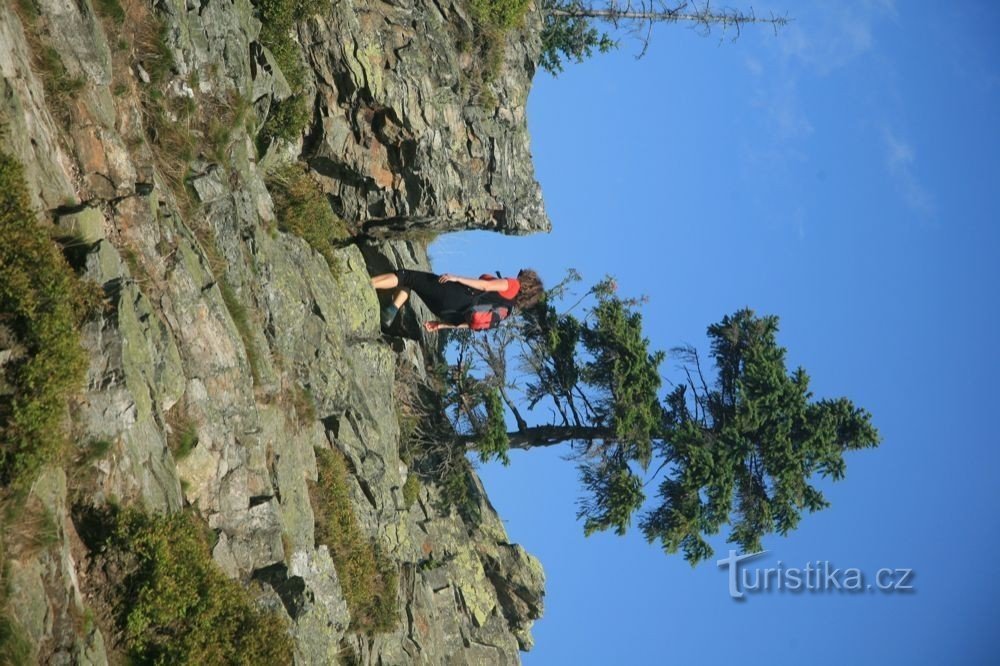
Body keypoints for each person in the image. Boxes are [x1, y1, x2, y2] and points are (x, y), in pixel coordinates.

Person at [370, 268, 544, 332]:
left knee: (406, 276)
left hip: (454, 295)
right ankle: (389, 313)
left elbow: (485, 286)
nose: (518, 274)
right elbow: (474, 323)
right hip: (449, 315)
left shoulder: (513, 285)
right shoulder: (507, 311)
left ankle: (366, 284)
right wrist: (442, 325)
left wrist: (457, 278)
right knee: (413, 283)